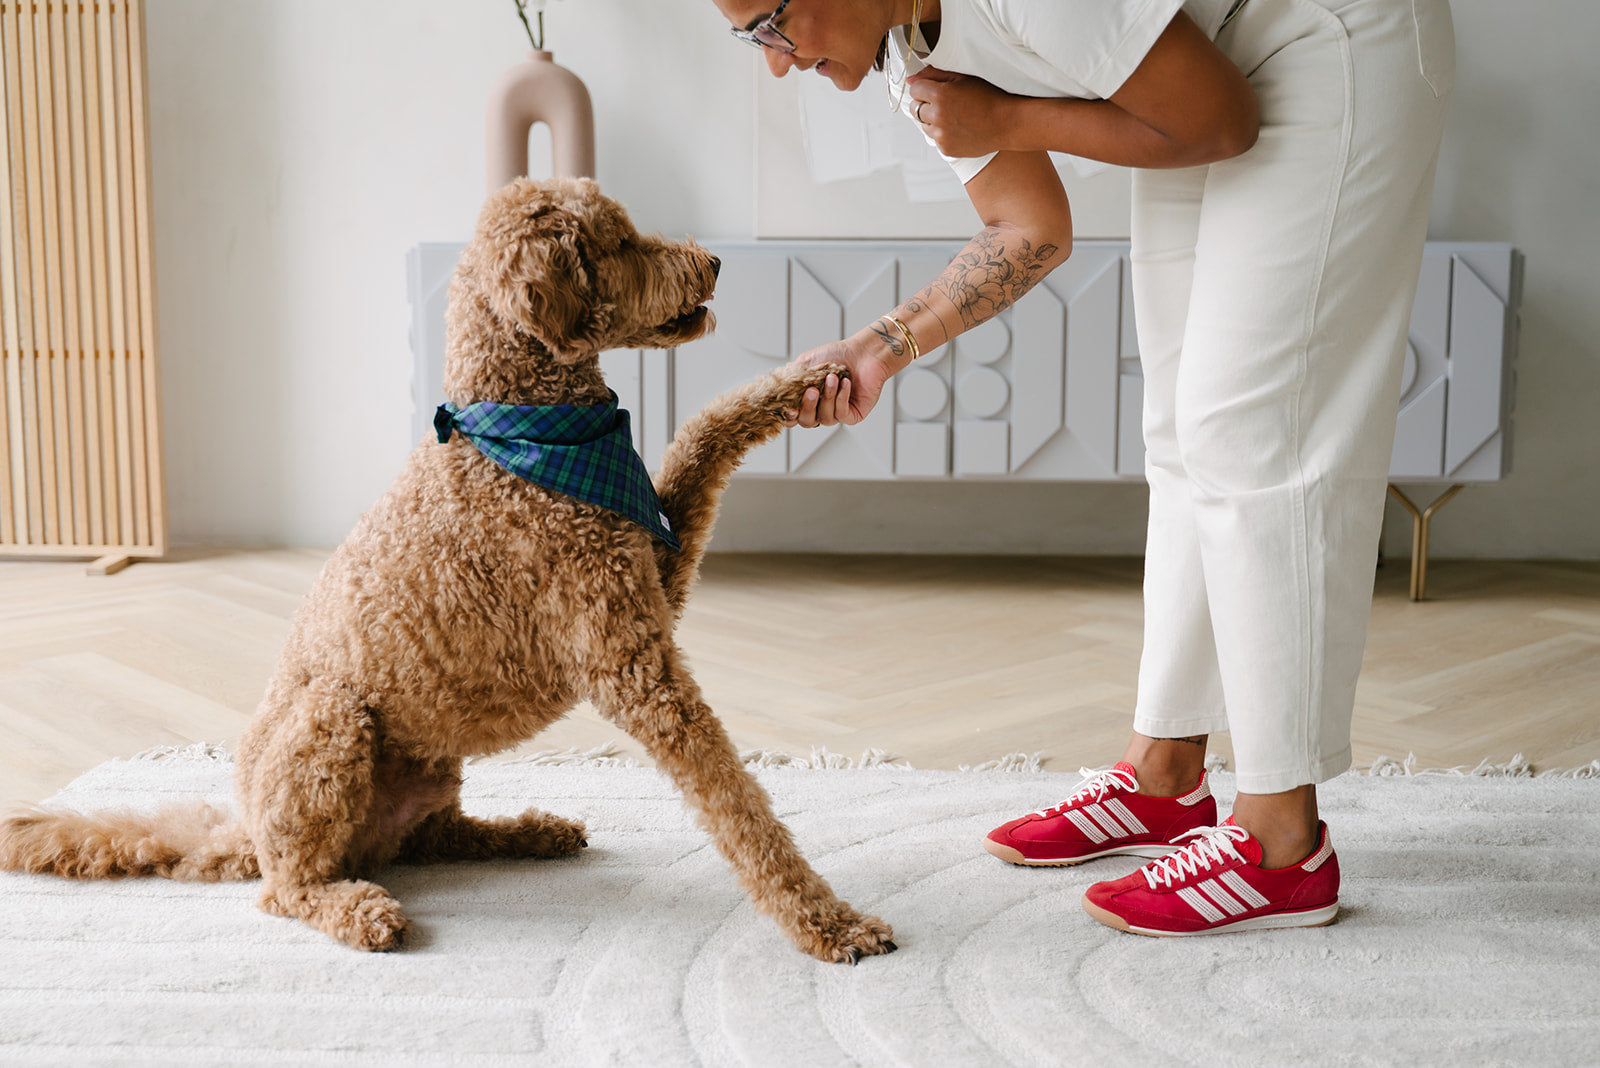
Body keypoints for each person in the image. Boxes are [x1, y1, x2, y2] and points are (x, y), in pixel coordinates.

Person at [713, 0, 1453, 936]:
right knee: (1182, 429)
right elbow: (1030, 227)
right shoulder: (906, 41)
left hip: (1331, 34)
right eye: (749, 38)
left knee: (1250, 431)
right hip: (1211, 55)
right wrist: (879, 347)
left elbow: (1219, 122)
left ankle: (1282, 845)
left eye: (769, 22)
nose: (774, 63)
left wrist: (1012, 117)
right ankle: (1165, 777)